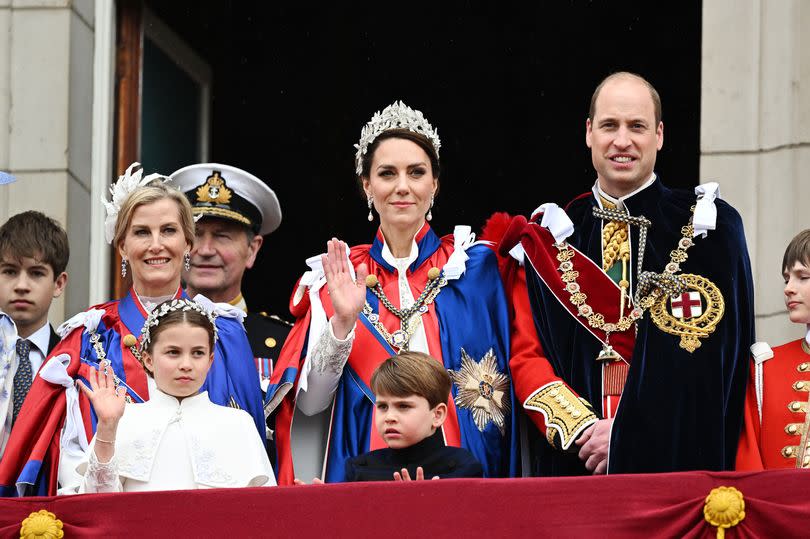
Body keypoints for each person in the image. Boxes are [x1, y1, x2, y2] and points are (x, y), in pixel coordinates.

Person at [495, 72, 754, 475]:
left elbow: (715, 366)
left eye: (637, 126)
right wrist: (585, 431)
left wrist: (631, 436)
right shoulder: (548, 240)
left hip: (676, 468)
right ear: (588, 133)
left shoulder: (711, 231)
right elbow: (527, 356)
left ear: (660, 135)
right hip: (577, 466)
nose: (622, 141)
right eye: (609, 126)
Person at [266, 101, 519, 484]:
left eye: (416, 173)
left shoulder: (475, 271)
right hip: (365, 481)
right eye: (387, 173)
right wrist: (343, 323)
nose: (402, 186)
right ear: (367, 185)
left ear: (434, 183)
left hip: (462, 483)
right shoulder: (337, 276)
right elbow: (310, 409)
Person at [0, 163, 261, 496]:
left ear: (187, 245)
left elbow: (252, 454)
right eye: (141, 232)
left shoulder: (225, 333)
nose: (156, 244)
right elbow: (64, 460)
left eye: (168, 230)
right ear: (122, 246)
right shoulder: (88, 336)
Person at [77, 298, 275, 491]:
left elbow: (263, 510)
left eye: (198, 353)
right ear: (148, 360)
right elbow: (96, 504)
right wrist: (107, 428)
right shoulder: (124, 420)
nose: (186, 365)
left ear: (210, 360)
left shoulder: (239, 424)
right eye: (173, 352)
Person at [171, 163, 292, 392]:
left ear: (252, 250)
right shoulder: (149, 332)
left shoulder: (284, 343)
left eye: (222, 236)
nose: (205, 250)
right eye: (195, 235)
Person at [344, 351, 482, 482]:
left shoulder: (462, 468)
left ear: (437, 415)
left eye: (403, 406)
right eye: (382, 406)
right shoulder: (359, 469)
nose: (389, 417)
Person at [736, 230, 810, 470]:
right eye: (787, 278)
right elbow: (749, 469)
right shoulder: (764, 369)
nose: (789, 288)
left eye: (803, 277)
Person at [0, 211, 68, 457]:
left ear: (59, 284)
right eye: (9, 271)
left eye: (36, 273)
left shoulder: (73, 360)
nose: (21, 285)